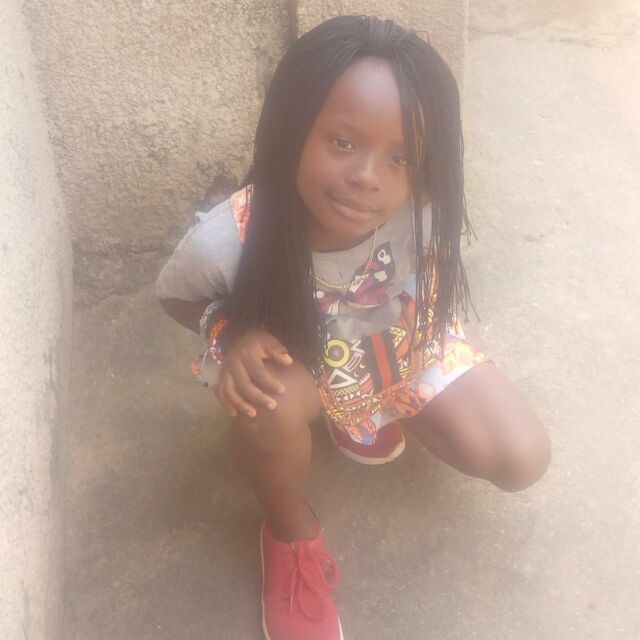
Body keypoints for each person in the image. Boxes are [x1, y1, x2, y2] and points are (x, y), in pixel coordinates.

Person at [156, 15, 551, 640]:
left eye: (401, 156)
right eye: (342, 142)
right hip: (309, 365)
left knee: (522, 457)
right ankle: (290, 536)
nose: (369, 176)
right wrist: (227, 329)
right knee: (266, 403)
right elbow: (175, 297)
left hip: (401, 349)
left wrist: (401, 377)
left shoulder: (420, 208)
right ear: (293, 127)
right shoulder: (231, 236)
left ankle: (374, 409)